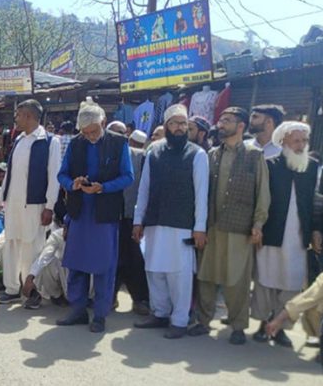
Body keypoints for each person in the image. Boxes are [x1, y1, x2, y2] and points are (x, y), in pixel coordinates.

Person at [189, 107, 271, 345]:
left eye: (227, 121)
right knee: (206, 276)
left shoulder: (255, 155)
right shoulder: (212, 154)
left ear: (241, 126)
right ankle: (203, 322)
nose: (221, 124)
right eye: (221, 120)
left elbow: (262, 192)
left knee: (237, 280)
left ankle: (237, 326)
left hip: (239, 227)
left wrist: (258, 223)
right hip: (212, 226)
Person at [132, 104, 209, 339]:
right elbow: (144, 189)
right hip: (154, 221)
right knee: (154, 270)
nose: (179, 128)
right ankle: (160, 313)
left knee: (180, 275)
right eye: (174, 123)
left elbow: (201, 194)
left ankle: (179, 320)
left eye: (183, 124)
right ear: (166, 126)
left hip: (182, 224)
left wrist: (200, 228)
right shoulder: (153, 151)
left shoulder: (197, 154)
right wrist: (138, 220)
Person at [56, 100, 133, 333]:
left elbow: (127, 177)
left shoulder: (119, 143)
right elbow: (62, 175)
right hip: (80, 213)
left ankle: (100, 315)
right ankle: (77, 310)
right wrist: (73, 184)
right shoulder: (76, 144)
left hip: (105, 214)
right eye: (85, 132)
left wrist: (103, 188)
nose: (89, 136)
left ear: (104, 123)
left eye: (93, 131)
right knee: (76, 264)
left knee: (103, 266)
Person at [251, 121, 319, 347]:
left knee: (291, 282)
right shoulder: (269, 164)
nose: (301, 145)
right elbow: (259, 200)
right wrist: (257, 226)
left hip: (299, 236)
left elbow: (315, 202)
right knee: (266, 280)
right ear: (283, 142)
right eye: (296, 140)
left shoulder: (311, 167)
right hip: (271, 232)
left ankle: (280, 326)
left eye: (304, 141)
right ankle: (263, 324)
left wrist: (316, 230)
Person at [0, 100, 62, 304]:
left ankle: (34, 290)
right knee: (12, 244)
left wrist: (49, 206)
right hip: (13, 204)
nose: (16, 118)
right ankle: (12, 288)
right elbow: (10, 174)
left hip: (35, 205)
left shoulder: (50, 141)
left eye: (18, 114)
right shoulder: (19, 140)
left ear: (29, 116)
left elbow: (54, 176)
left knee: (33, 246)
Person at [116, 129, 150, 316]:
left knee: (134, 261)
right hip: (111, 218)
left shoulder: (142, 157)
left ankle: (140, 299)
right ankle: (108, 297)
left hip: (132, 218)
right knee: (113, 260)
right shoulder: (106, 154)